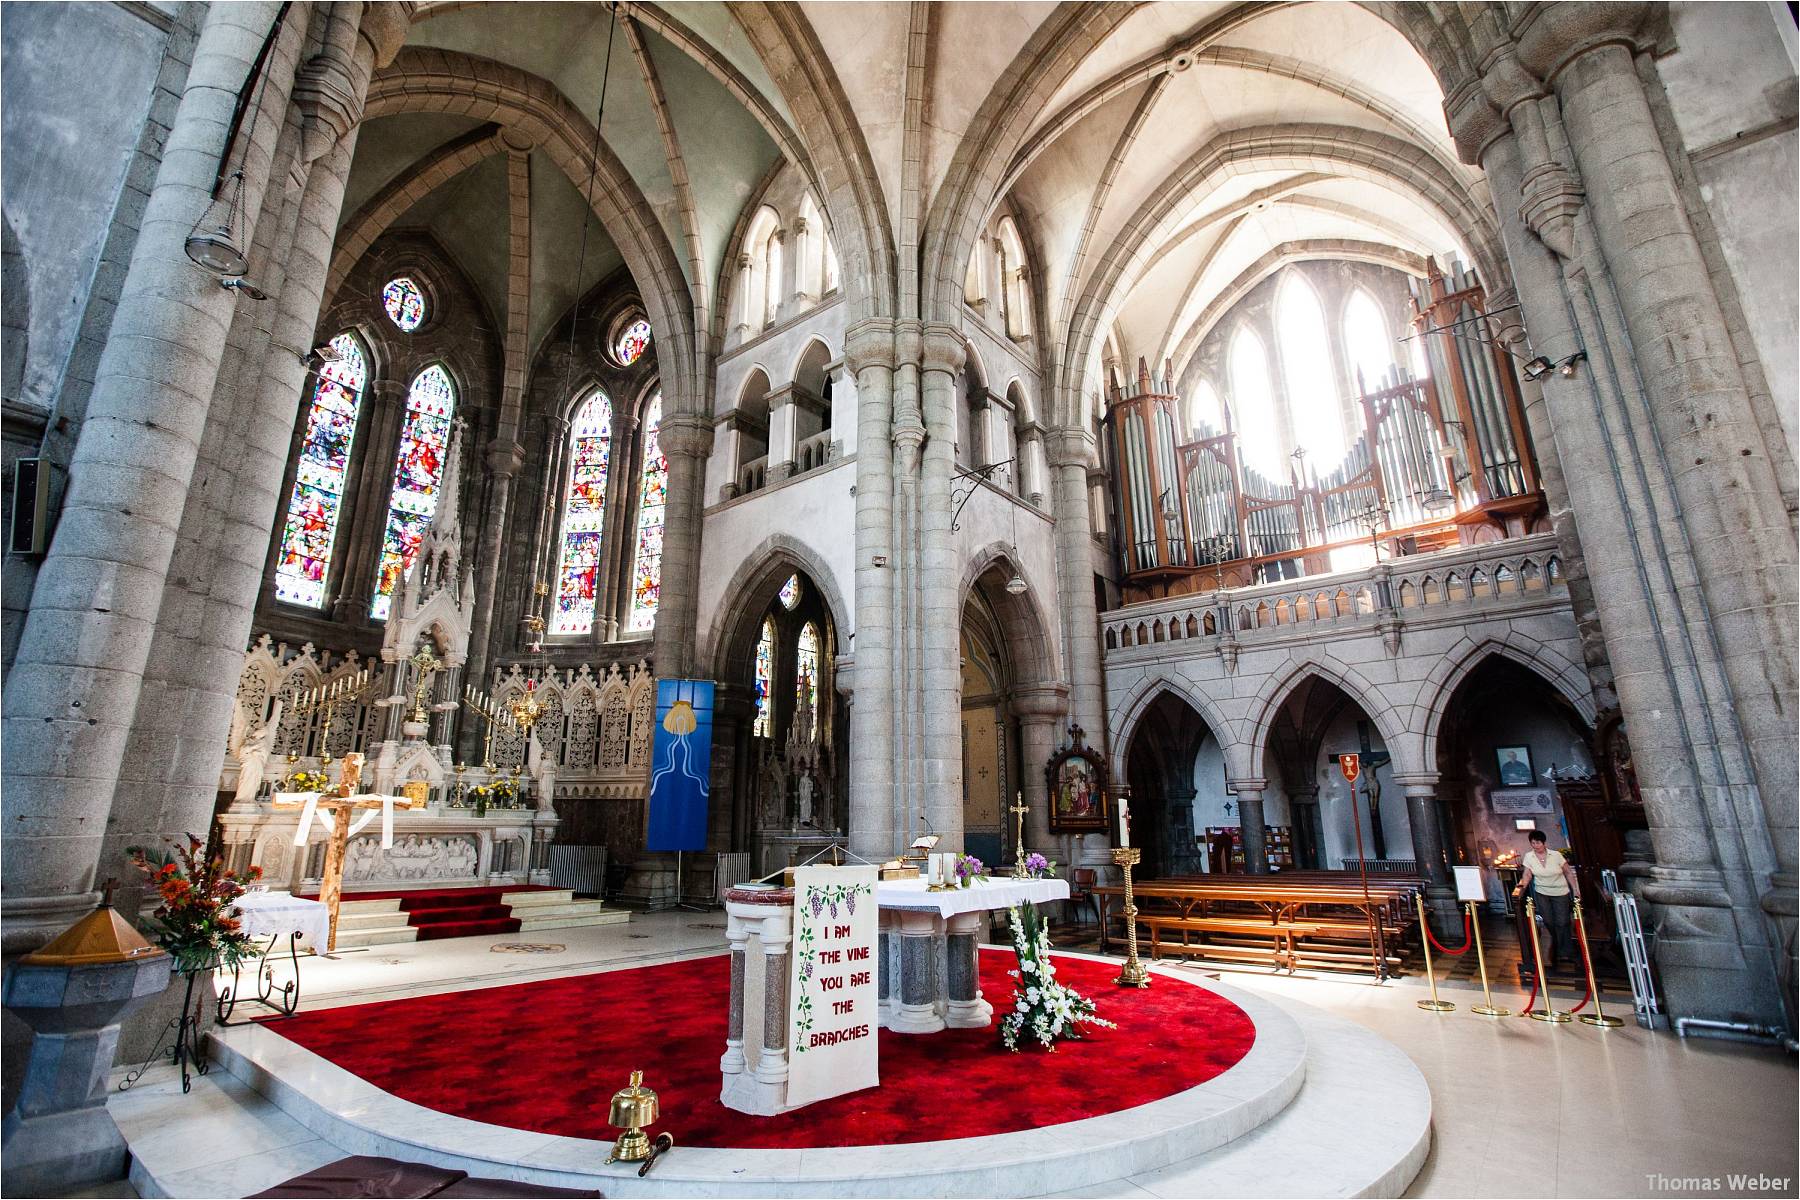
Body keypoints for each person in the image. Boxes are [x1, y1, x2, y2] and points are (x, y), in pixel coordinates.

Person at [1512, 829, 1580, 967]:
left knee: (1562, 921)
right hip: (1542, 892)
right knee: (1548, 920)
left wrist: (1575, 889)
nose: (1536, 845)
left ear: (1544, 843)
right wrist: (1521, 886)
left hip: (1560, 892)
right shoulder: (1529, 857)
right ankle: (1558, 945)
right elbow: (1527, 875)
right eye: (1533, 843)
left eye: (1538, 843)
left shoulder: (1555, 855)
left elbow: (1568, 872)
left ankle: (1565, 950)